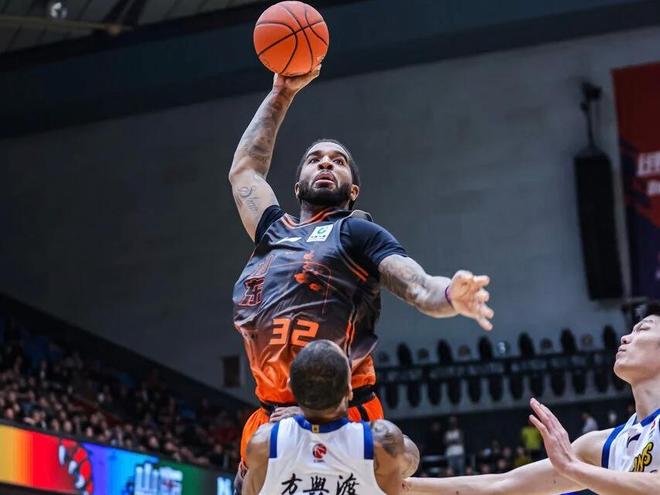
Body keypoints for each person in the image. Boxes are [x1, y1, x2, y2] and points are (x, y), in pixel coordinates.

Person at [229, 66, 494, 472]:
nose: (325, 164)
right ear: (297, 185)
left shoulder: (357, 232)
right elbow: (245, 170)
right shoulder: (272, 231)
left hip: (342, 418)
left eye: (338, 161)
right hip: (271, 417)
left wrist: (448, 296)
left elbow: (418, 285)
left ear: (353, 191)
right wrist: (281, 93)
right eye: (315, 159)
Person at [403, 301, 660, 494]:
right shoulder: (604, 444)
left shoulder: (582, 458)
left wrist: (573, 467)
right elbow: (504, 485)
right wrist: (402, 487)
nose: (625, 337)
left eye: (643, 329)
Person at [242, 340, 420, 495]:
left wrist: (305, 424)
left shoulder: (264, 443)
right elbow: (411, 460)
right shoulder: (381, 442)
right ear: (349, 391)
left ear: (291, 388)